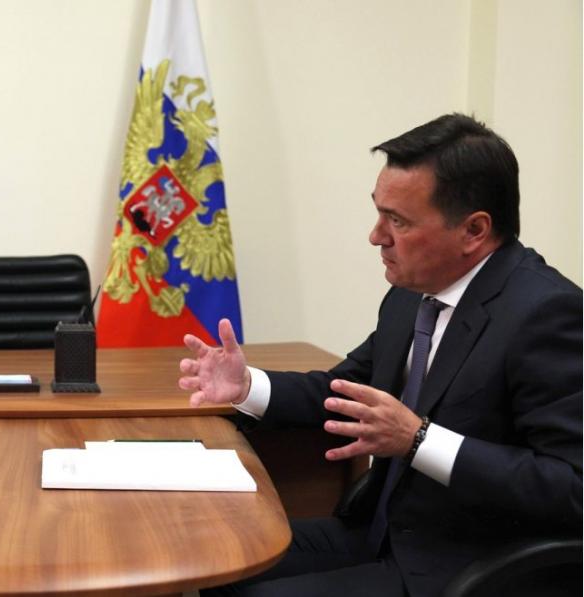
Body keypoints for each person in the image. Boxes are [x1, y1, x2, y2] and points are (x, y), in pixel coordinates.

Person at [179, 114, 581, 596]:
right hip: (378, 533)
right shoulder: (413, 294)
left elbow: (572, 486)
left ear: (474, 230)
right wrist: (248, 386)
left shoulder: (547, 313)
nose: (376, 236)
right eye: (379, 213)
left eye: (399, 221)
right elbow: (347, 391)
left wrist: (418, 439)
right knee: (215, 557)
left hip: (464, 565)